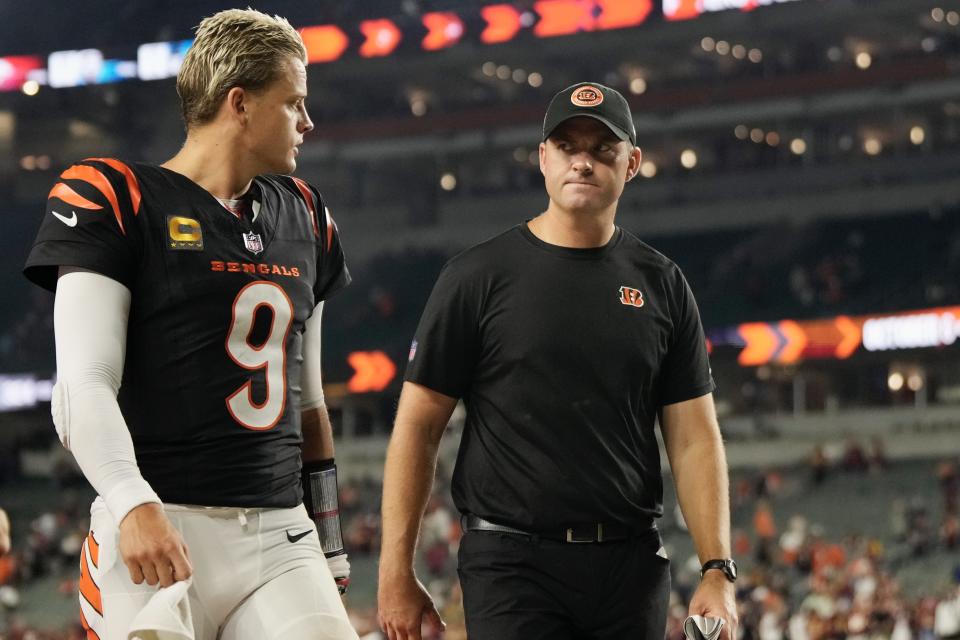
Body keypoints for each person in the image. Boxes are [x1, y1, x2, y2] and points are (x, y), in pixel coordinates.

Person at [23, 9, 357, 640]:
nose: (308, 123)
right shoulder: (116, 196)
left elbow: (308, 404)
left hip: (280, 534)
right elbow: (82, 386)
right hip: (159, 525)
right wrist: (131, 502)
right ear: (241, 103)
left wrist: (330, 536)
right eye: (294, 103)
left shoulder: (307, 215)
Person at [378, 82, 738, 640]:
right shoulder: (476, 277)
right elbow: (418, 427)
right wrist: (394, 570)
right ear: (543, 159)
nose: (583, 162)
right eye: (568, 147)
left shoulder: (662, 284)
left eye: (602, 149)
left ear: (632, 162)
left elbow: (694, 437)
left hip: (630, 564)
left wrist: (717, 567)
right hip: (510, 560)